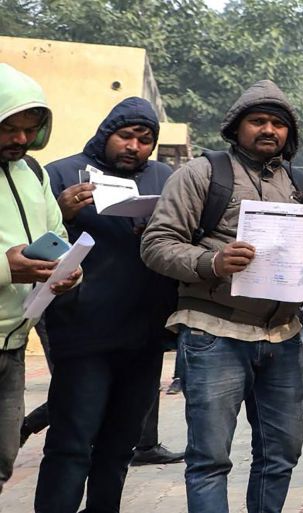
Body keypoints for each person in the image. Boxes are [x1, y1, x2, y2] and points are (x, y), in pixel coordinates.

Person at [141, 79, 303, 513]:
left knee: (281, 455)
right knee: (210, 459)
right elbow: (156, 244)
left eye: (279, 124)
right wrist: (214, 262)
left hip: (283, 337)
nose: (269, 130)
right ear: (236, 127)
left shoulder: (302, 189)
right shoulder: (202, 174)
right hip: (214, 332)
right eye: (258, 121)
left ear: (290, 134)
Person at [34, 97, 179, 512]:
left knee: (119, 446)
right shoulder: (61, 173)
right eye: (126, 136)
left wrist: (162, 228)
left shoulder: (164, 177)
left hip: (144, 336)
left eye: (145, 139)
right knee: (72, 444)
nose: (134, 146)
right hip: (82, 335)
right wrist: (62, 214)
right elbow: (34, 241)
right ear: (105, 134)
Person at [0, 63, 80, 494]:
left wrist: (69, 270)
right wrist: (4, 267)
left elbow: (57, 235)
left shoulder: (34, 172)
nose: (20, 139)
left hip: (13, 345)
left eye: (29, 129)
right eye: (9, 127)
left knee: (2, 461)